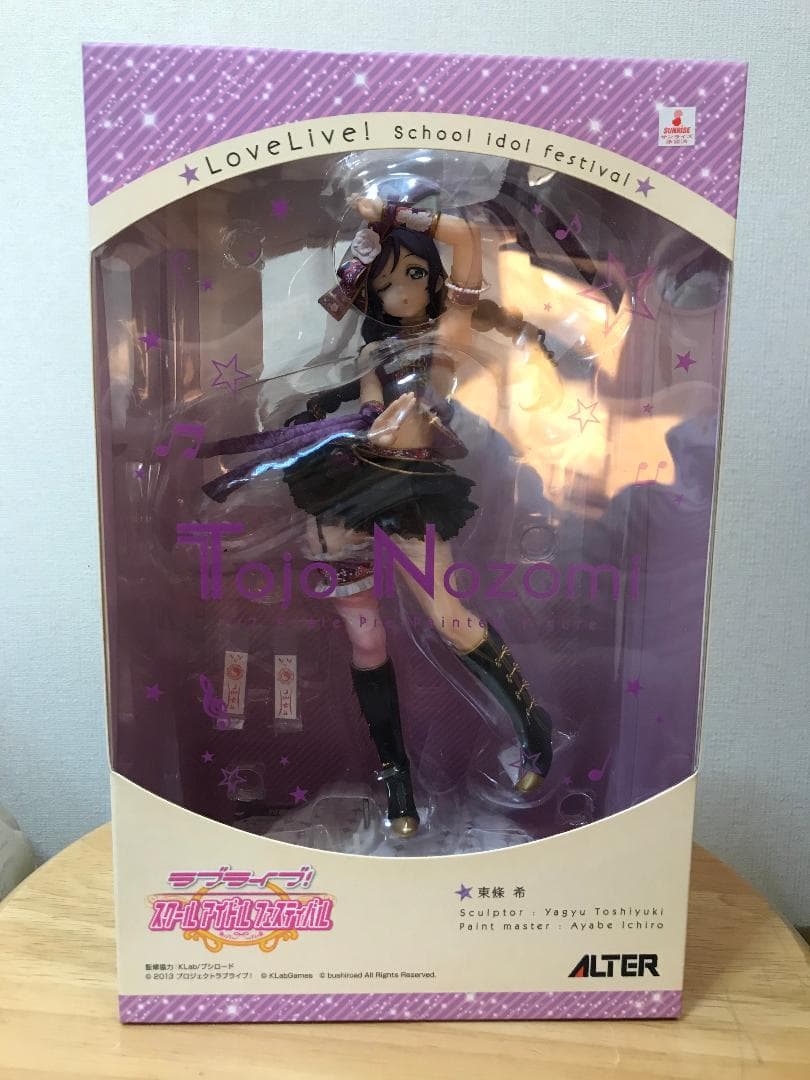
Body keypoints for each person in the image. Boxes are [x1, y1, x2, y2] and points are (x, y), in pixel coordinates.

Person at [203, 195, 560, 837]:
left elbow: (469, 241)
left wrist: (403, 218)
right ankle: (396, 779)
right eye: (386, 282)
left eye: (414, 274)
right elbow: (369, 414)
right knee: (366, 640)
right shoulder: (371, 357)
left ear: (432, 278)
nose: (401, 292)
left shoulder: (447, 336)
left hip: (412, 489)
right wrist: (356, 422)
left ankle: (534, 728)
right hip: (347, 492)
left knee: (450, 619)